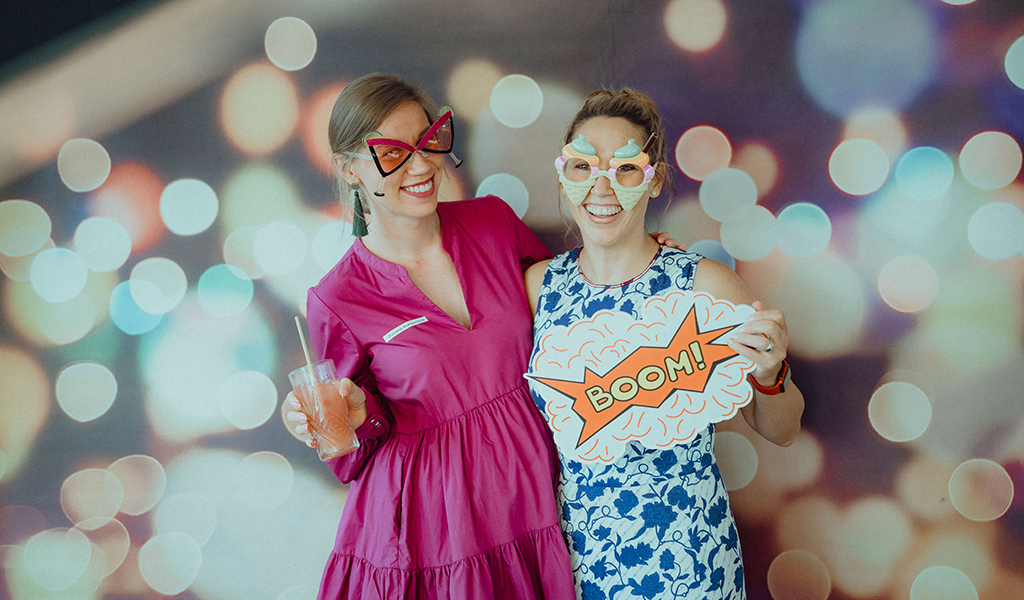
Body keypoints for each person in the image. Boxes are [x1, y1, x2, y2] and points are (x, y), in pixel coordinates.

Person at [286, 73, 577, 599]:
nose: (421, 165)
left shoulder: (494, 221)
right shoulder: (337, 298)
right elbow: (350, 455)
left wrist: (639, 270)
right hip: (438, 530)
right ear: (350, 169)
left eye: (428, 141)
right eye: (392, 152)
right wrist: (352, 414)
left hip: (536, 490)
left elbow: (573, 312)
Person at [524, 89, 805, 599]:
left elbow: (782, 431)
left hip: (691, 563)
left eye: (626, 168)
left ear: (653, 180)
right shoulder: (537, 288)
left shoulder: (705, 286)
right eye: (585, 167)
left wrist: (771, 374)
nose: (602, 187)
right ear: (566, 177)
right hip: (576, 566)